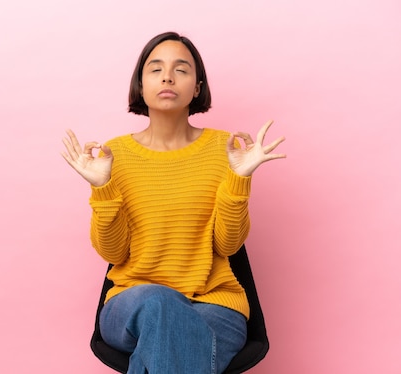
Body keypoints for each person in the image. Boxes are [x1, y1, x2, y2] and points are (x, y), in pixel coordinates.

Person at [61, 31, 285, 374]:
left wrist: (240, 179)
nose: (168, 76)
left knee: (168, 340)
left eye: (181, 69)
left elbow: (228, 244)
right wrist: (102, 187)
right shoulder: (113, 155)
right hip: (133, 302)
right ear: (140, 84)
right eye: (156, 69)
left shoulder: (224, 149)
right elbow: (114, 255)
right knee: (160, 306)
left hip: (215, 305)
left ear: (197, 87)